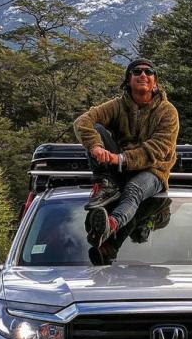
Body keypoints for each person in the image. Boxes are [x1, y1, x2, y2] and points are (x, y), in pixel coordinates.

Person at [73, 58, 179, 247]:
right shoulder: (117, 105)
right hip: (119, 168)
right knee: (95, 128)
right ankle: (105, 184)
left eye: (149, 72)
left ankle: (109, 228)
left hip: (153, 170)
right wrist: (96, 146)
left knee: (133, 191)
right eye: (137, 71)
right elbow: (82, 122)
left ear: (155, 80)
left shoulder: (167, 112)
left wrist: (119, 158)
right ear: (128, 80)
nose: (143, 75)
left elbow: (158, 149)